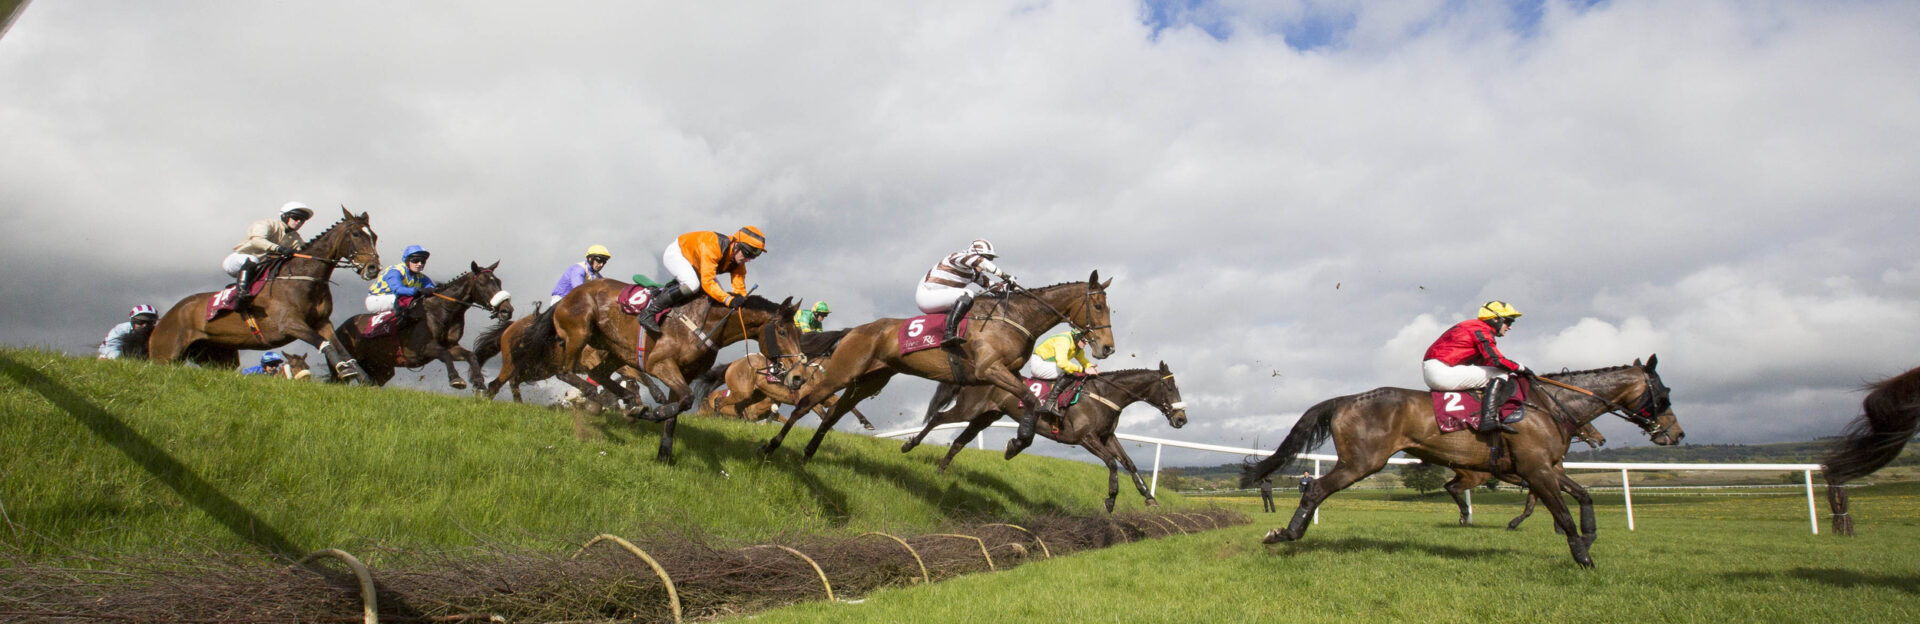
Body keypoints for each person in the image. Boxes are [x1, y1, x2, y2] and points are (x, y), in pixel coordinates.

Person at [1423, 300, 1530, 434]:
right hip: (1442, 371)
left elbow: (1484, 363)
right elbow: (1496, 360)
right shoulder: (1481, 330)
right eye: (1509, 322)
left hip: (1437, 369)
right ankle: (1489, 420)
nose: (1510, 327)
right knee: (1500, 374)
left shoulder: (1473, 326)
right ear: (1496, 319)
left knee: (1496, 372)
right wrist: (1521, 368)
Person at [637, 226, 767, 333]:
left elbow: (739, 286)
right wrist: (729, 299)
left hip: (696, 265)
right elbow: (708, 282)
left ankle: (670, 290)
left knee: (718, 295)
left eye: (752, 257)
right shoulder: (714, 245)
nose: (748, 259)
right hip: (677, 254)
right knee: (693, 285)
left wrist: (741, 300)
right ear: (736, 245)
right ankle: (649, 312)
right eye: (747, 254)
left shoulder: (738, 262)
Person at [916, 239, 1014, 347]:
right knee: (967, 294)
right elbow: (981, 261)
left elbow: (992, 286)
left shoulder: (973, 273)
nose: (988, 261)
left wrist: (1010, 286)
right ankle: (949, 333)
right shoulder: (956, 257)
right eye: (987, 257)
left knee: (977, 298)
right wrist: (1004, 275)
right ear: (975, 254)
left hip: (940, 298)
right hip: (927, 296)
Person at [222, 201, 314, 310]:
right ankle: (241, 295)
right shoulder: (266, 224)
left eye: (302, 220)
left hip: (259, 268)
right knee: (253, 259)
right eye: (296, 217)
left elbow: (304, 252)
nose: (299, 222)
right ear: (284, 216)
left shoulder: (295, 238)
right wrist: (279, 248)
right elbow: (257, 240)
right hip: (238, 260)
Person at [1022, 327, 1099, 419]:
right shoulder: (1064, 341)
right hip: (1039, 364)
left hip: (1050, 364)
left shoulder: (1077, 345)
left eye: (1087, 341)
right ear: (1077, 337)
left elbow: (1083, 360)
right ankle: (1049, 403)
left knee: (1073, 370)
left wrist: (1091, 367)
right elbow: (1062, 363)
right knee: (1070, 371)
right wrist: (1083, 370)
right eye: (1084, 341)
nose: (1086, 343)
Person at [366, 245, 437, 316]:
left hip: (396, 299)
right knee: (403, 300)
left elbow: (432, 289)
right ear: (407, 260)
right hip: (376, 299)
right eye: (416, 260)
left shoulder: (421, 277)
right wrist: (418, 290)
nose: (419, 264)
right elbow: (398, 290)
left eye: (423, 261)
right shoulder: (395, 271)